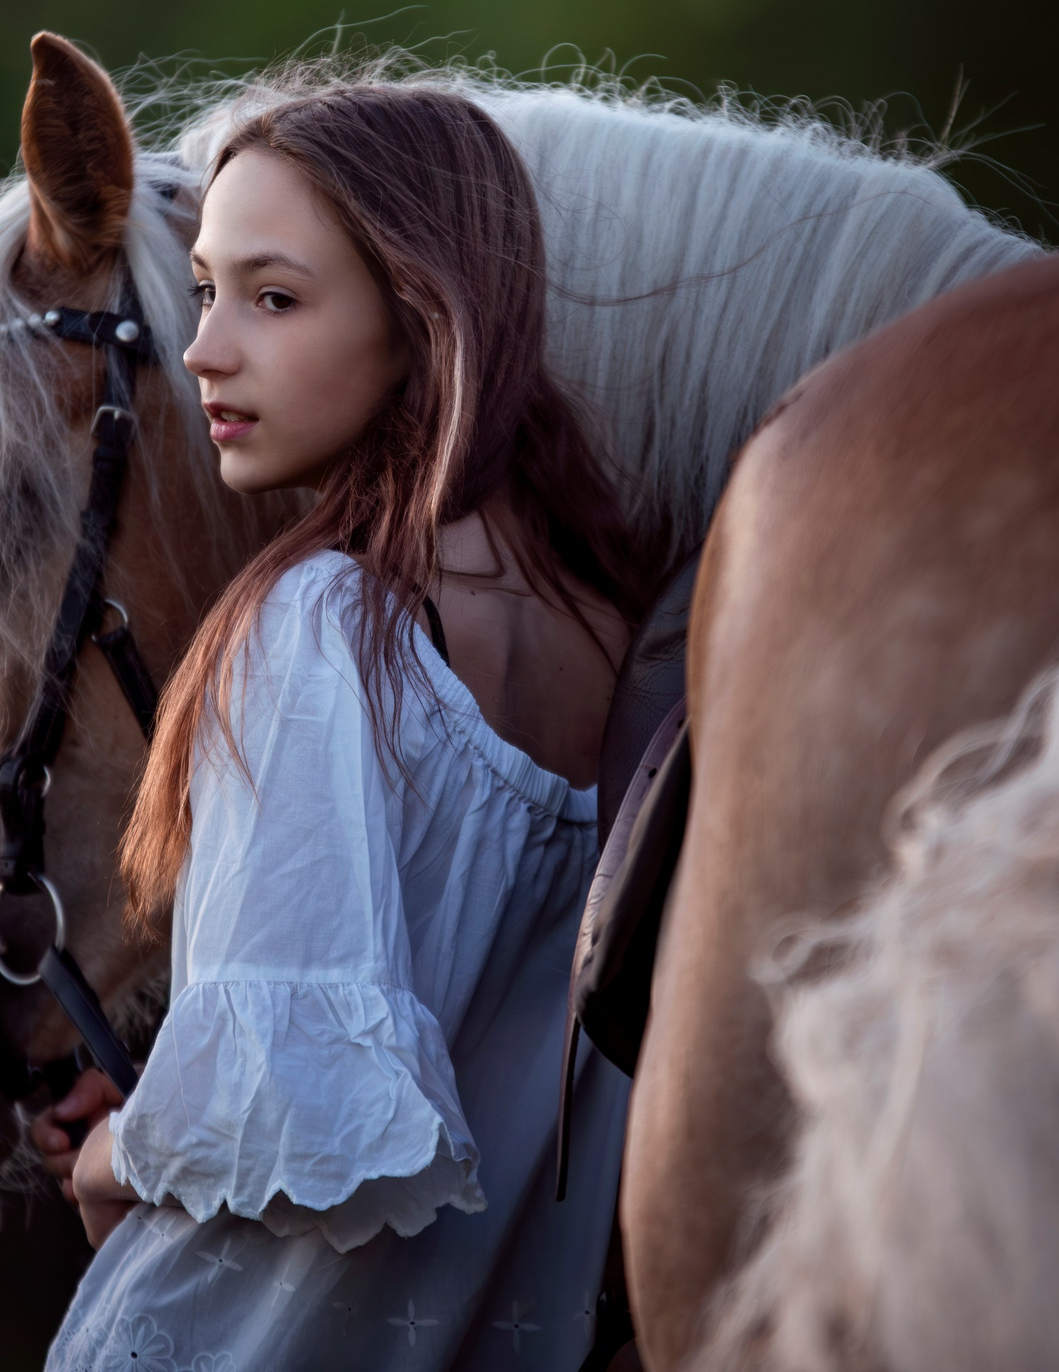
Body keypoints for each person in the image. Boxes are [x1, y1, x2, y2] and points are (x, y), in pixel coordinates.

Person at [36, 81, 649, 1370]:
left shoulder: (324, 625)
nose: (205, 350)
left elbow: (290, 1154)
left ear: (427, 315)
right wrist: (181, 1102)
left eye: (274, 298)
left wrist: (114, 1156)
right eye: (203, 293)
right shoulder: (623, 640)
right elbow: (416, 1041)